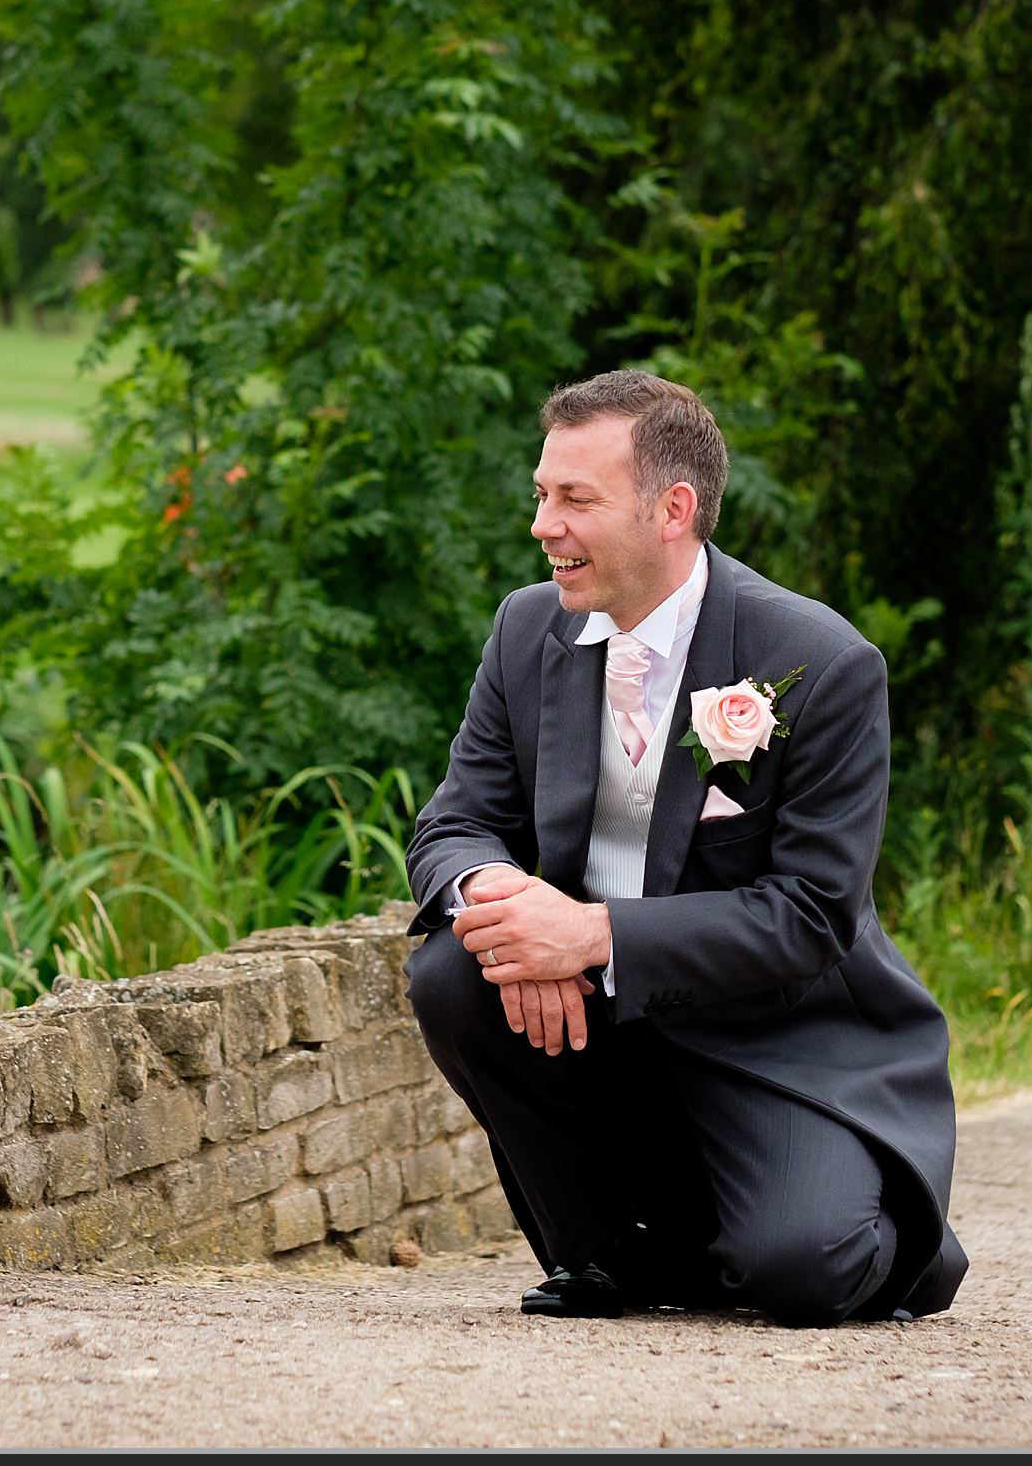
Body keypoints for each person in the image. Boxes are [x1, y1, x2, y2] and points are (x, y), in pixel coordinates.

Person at [402, 370, 969, 1327]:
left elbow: (811, 914)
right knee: (453, 971)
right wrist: (505, 903)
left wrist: (590, 935)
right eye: (542, 494)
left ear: (674, 509)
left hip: (779, 1033)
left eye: (576, 500)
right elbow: (455, 821)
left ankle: (865, 1223)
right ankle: (612, 1256)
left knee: (800, 1279)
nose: (544, 524)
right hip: (604, 1025)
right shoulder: (525, 629)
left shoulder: (819, 664)